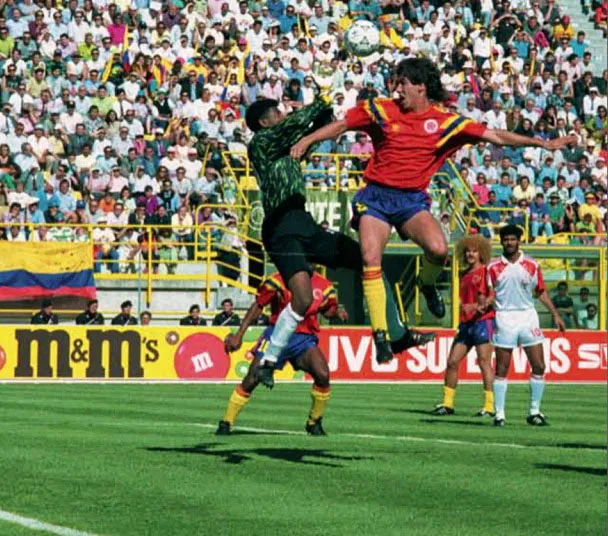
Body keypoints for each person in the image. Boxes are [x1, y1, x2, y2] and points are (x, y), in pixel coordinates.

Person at [290, 57, 576, 363]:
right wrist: (308, 139)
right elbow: (342, 126)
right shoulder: (381, 109)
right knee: (370, 258)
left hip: (411, 200)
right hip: (375, 197)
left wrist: (543, 144)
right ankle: (381, 336)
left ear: (421, 87)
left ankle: (426, 285)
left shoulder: (445, 121)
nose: (397, 89)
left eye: (403, 83)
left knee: (439, 250)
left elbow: (496, 136)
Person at [244, 96, 434, 388]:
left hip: (303, 223)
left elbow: (311, 134)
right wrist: (320, 100)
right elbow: (295, 124)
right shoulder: (260, 143)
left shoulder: (283, 147)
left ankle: (396, 336)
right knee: (303, 299)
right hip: (280, 227)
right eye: (277, 113)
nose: (283, 115)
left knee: (367, 261)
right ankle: (269, 360)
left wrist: (326, 114)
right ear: (263, 122)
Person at [218, 271, 339, 436]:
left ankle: (314, 422)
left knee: (323, 374)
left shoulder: (325, 285)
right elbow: (258, 305)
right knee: (252, 378)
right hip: (277, 334)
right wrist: (239, 335)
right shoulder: (279, 279)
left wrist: (335, 311)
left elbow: (327, 310)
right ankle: (226, 422)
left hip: (303, 339)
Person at [486, 225, 565, 427]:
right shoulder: (493, 267)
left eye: (513, 239)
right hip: (505, 318)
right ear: (501, 241)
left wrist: (555, 314)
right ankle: (500, 414)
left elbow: (541, 291)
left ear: (519, 241)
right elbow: (488, 295)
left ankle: (534, 411)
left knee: (539, 365)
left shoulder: (531, 264)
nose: (509, 243)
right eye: (506, 240)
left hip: (528, 317)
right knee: (502, 367)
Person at [431, 234, 495, 417]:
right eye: (467, 251)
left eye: (474, 251)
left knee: (484, 362)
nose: (470, 254)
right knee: (452, 361)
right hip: (466, 324)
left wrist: (475, 306)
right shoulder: (463, 274)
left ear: (481, 253)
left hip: (483, 322)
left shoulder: (486, 271)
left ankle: (489, 406)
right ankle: (447, 403)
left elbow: (493, 297)